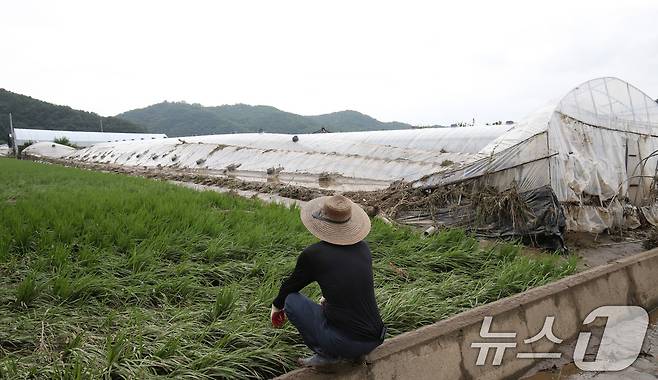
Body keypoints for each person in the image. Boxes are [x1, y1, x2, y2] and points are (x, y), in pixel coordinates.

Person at [270, 194, 386, 369]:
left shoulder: (314, 255)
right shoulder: (363, 248)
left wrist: (276, 307)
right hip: (376, 337)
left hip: (345, 343)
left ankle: (327, 356)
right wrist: (328, 299)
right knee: (333, 308)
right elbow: (351, 284)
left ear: (321, 222)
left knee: (291, 300)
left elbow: (290, 287)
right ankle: (355, 355)